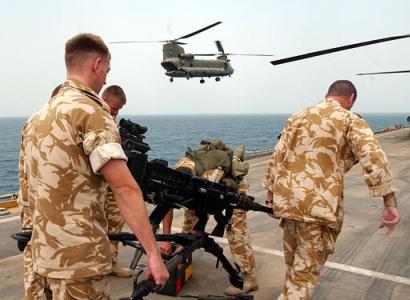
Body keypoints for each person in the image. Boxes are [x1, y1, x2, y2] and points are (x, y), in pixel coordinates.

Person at [20, 33, 168, 299]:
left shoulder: (36, 118)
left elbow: (26, 191)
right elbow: (124, 189)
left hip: (42, 260)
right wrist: (153, 254)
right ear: (97, 64)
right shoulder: (92, 112)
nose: (106, 79)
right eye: (107, 71)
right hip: (80, 264)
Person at [263, 80, 400, 300]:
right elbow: (374, 158)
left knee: (295, 271)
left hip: (287, 205)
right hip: (318, 210)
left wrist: (270, 197)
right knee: (303, 280)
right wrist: (389, 202)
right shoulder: (349, 119)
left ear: (327, 94)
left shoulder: (297, 117)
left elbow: (277, 157)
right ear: (352, 98)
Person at [161, 140, 258, 296]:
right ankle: (183, 257)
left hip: (232, 187)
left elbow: (205, 210)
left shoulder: (208, 177)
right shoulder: (178, 172)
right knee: (189, 221)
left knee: (235, 230)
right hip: (203, 188)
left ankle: (249, 279)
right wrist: (166, 241)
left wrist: (195, 232)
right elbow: (167, 205)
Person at [18, 84, 62, 299]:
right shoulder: (51, 122)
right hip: (41, 201)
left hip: (32, 200)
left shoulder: (33, 121)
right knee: (36, 254)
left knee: (37, 252)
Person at [100, 85, 132, 278]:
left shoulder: (112, 123)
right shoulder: (92, 119)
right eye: (113, 108)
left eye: (118, 110)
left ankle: (111, 263)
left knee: (114, 225)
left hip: (110, 186)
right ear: (103, 99)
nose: (115, 113)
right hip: (95, 188)